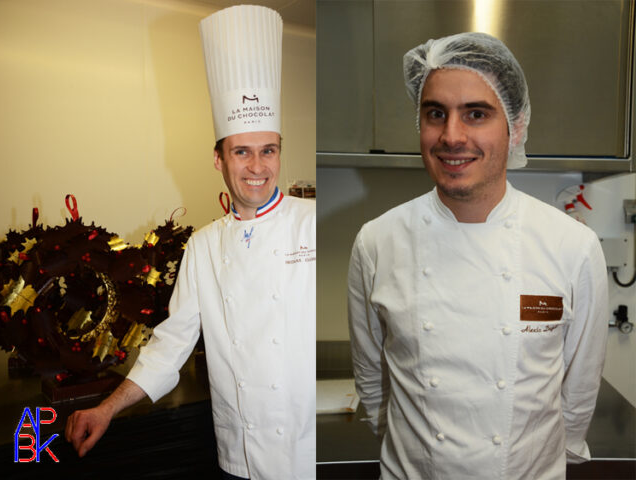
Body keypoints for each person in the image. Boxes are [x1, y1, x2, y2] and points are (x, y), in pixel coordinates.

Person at [66, 6, 315, 480]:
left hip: (308, 454)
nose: (257, 167)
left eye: (268, 150)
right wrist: (106, 409)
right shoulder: (202, 246)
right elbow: (171, 345)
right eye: (241, 152)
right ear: (219, 159)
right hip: (240, 457)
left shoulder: (312, 224)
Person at [348, 32, 608, 480]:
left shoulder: (573, 246)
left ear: (515, 127)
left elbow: (580, 389)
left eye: (476, 113)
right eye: (435, 114)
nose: (452, 136)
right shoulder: (377, 242)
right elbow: (371, 380)